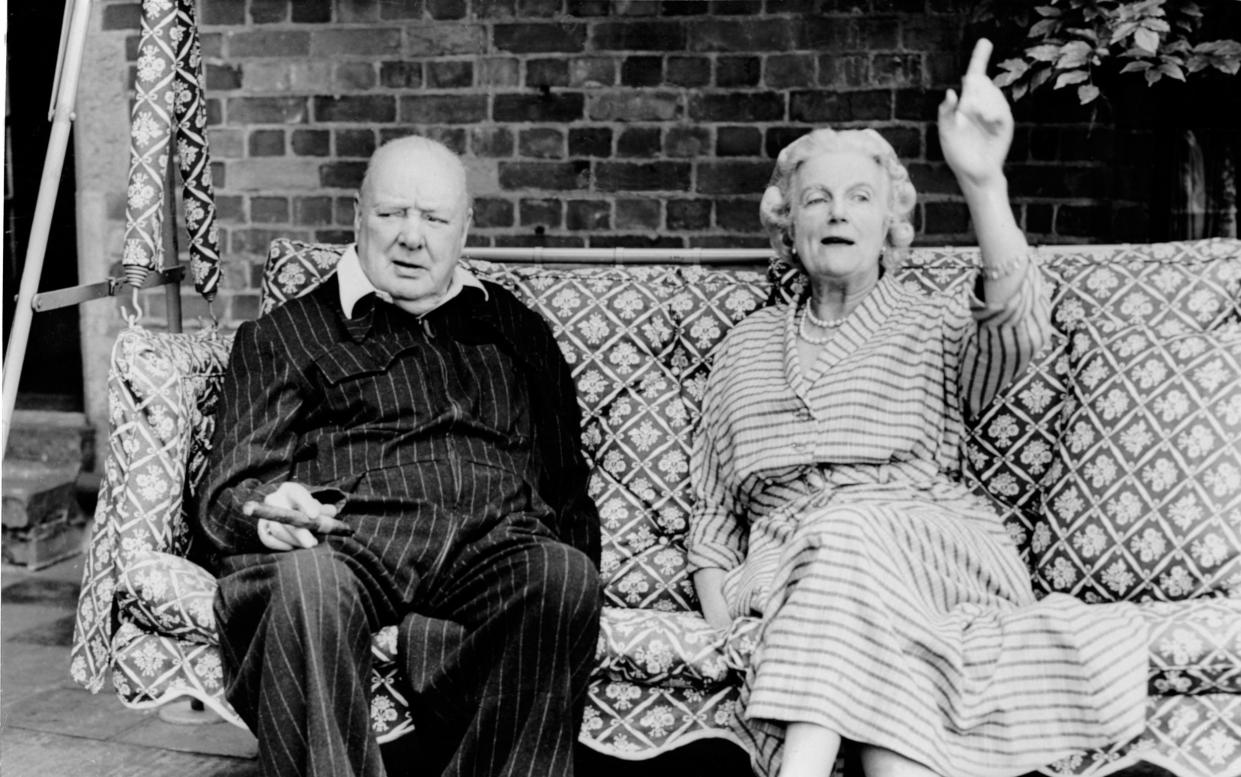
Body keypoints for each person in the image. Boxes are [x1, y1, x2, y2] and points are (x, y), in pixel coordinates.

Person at [687, 40, 1148, 777]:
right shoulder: (743, 348)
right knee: (849, 574)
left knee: (847, 527)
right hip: (787, 568)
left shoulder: (929, 322)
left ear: (890, 227)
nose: (837, 212)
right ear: (788, 228)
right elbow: (712, 521)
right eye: (816, 199)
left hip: (932, 546)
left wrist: (983, 182)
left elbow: (1017, 326)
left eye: (860, 198)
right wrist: (724, 625)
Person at [198, 135, 602, 777]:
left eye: (435, 218)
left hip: (495, 547)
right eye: (391, 214)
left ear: (465, 228)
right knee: (305, 586)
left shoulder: (516, 330)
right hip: (349, 542)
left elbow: (566, 487)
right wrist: (265, 512)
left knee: (564, 576)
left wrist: (572, 560)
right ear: (357, 215)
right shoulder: (286, 335)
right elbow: (231, 488)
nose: (412, 237)